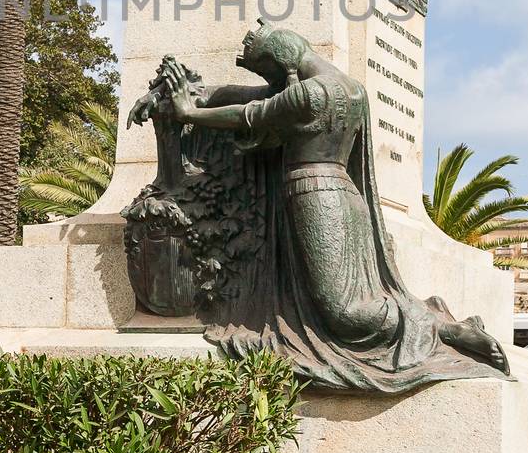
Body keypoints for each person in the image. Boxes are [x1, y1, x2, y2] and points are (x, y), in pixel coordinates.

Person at [162, 23, 510, 392]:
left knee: (344, 312)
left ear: (281, 66)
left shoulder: (309, 96)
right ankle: (435, 322)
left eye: (269, 73)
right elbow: (252, 96)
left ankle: (440, 328)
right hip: (346, 195)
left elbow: (250, 115)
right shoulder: (351, 88)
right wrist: (205, 93)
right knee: (360, 299)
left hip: (315, 197)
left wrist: (188, 113)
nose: (270, 82)